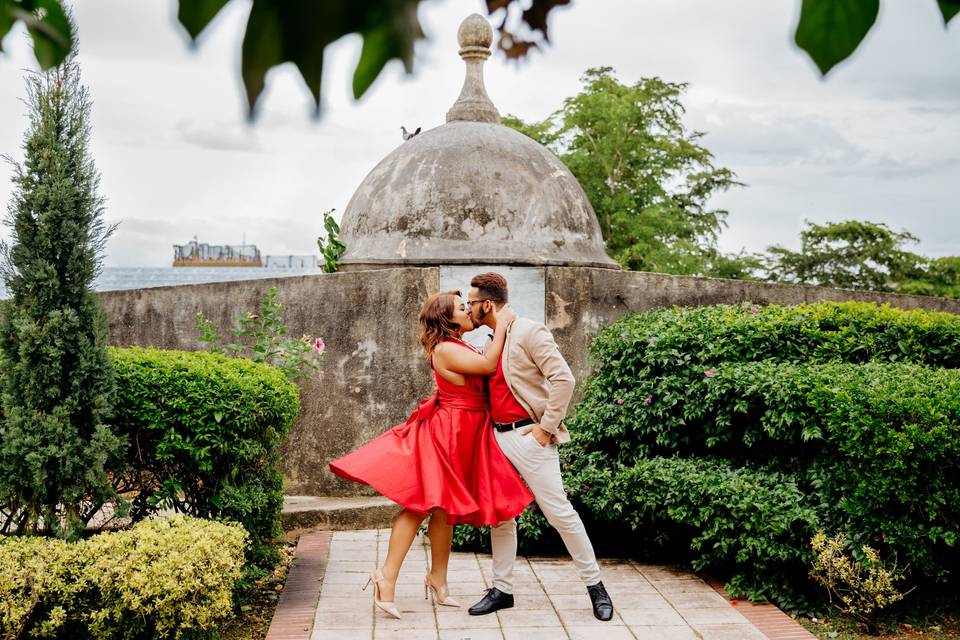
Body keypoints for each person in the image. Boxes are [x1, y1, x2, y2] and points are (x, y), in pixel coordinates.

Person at [329, 290, 533, 620]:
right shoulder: (446, 349)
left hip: (464, 432)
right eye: (461, 308)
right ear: (447, 319)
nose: (468, 311)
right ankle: (386, 577)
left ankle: (438, 580)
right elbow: (488, 364)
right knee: (420, 505)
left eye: (468, 305)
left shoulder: (459, 344)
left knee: (444, 510)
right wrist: (506, 322)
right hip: (447, 434)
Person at [465, 272, 614, 621]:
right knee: (502, 517)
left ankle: (596, 587)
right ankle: (502, 589)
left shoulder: (530, 331)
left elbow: (564, 379)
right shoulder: (489, 338)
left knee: (559, 512)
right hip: (496, 439)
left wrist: (546, 430)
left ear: (487, 303)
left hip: (529, 438)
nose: (469, 308)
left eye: (472, 303)